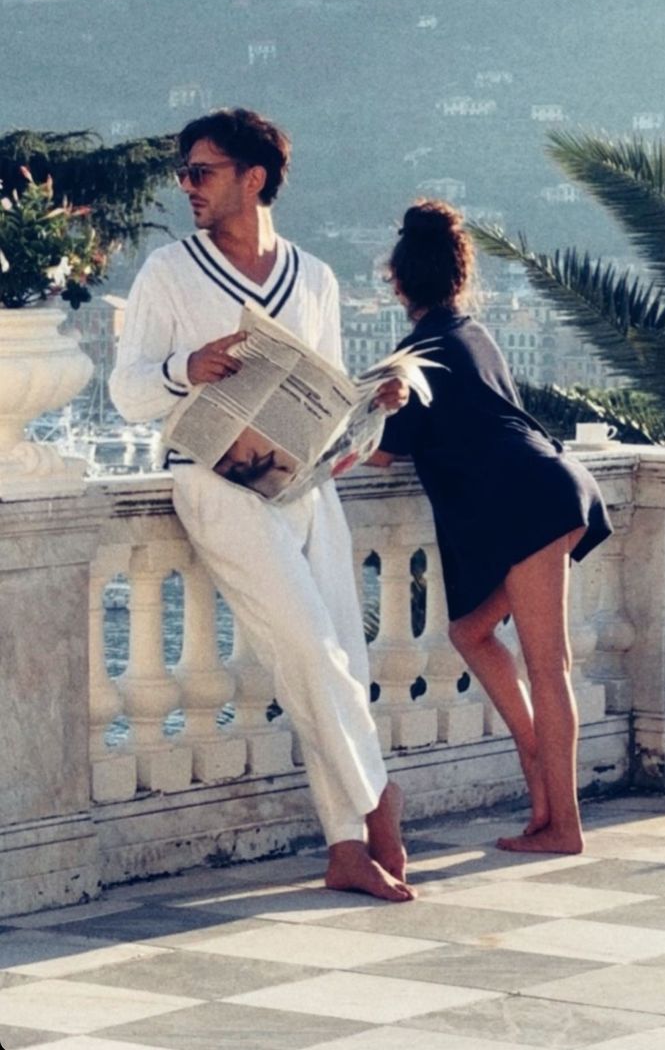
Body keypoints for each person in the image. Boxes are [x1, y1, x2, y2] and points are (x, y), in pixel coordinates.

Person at [109, 107, 415, 901]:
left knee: (334, 652)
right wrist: (188, 366)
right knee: (310, 650)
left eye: (202, 172)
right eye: (184, 173)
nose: (188, 187)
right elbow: (128, 392)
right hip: (211, 479)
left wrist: (368, 403)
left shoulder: (312, 276)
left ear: (254, 177)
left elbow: (329, 389)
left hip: (303, 484)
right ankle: (380, 799)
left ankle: (345, 846)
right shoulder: (167, 273)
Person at [369, 200, 613, 855]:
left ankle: (564, 826)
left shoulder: (415, 354)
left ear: (398, 280)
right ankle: (538, 772)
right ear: (458, 274)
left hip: (530, 505)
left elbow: (381, 453)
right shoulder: (472, 332)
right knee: (470, 630)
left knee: (549, 666)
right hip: (550, 487)